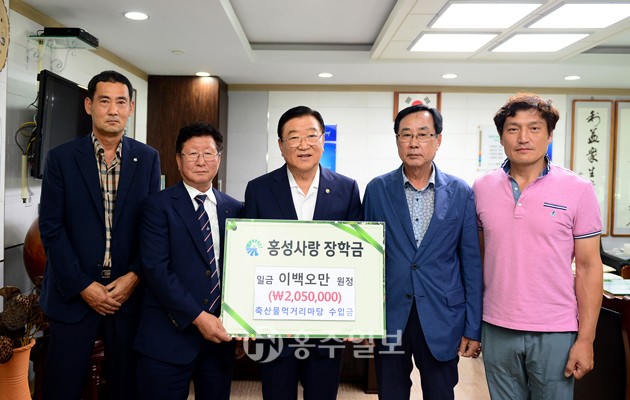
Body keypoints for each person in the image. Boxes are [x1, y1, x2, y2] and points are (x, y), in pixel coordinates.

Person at [38, 70, 161, 399]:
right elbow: (51, 227)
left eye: (121, 102)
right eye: (104, 101)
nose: (113, 110)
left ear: (131, 108)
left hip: (127, 295)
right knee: (62, 387)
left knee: (126, 388)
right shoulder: (61, 158)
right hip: (73, 295)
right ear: (89, 105)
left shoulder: (148, 159)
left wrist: (134, 276)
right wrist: (83, 285)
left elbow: (153, 228)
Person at [473, 93, 602, 399]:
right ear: (501, 137)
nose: (523, 137)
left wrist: (586, 340)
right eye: (513, 129)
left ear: (549, 134)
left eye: (534, 128)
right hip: (497, 326)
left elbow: (588, 267)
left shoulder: (578, 189)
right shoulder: (481, 188)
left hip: (556, 329)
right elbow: (478, 258)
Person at [363, 104, 483, 400]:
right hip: (391, 315)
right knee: (390, 392)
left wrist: (473, 327)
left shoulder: (460, 191)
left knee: (440, 393)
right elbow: (366, 260)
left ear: (438, 140)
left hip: (443, 315)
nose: (414, 143)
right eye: (406, 135)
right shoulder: (377, 189)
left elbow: (470, 263)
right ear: (397, 140)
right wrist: (365, 320)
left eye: (423, 134)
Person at [242, 105, 362, 399]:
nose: (303, 144)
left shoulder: (347, 189)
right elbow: (248, 257)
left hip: (327, 323)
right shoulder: (258, 189)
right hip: (274, 324)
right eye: (293, 137)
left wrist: (358, 317)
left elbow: (357, 260)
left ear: (323, 140)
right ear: (281, 145)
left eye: (311, 135)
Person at [134, 122, 242, 399]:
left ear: (219, 158)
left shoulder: (235, 209)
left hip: (219, 339)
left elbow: (240, 270)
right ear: (178, 159)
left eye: (208, 153)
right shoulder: (157, 206)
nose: (201, 161)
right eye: (192, 153)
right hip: (167, 336)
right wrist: (199, 317)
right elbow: (157, 270)